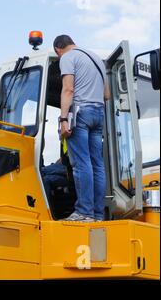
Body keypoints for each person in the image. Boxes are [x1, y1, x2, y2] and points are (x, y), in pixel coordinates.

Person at [53, 35, 111, 222]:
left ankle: (84, 212)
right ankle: (97, 214)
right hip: (98, 113)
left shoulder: (68, 58)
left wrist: (63, 119)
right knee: (97, 165)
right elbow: (107, 95)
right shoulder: (97, 59)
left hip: (81, 113)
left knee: (81, 164)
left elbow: (68, 89)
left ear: (58, 50)